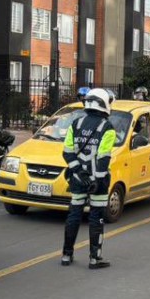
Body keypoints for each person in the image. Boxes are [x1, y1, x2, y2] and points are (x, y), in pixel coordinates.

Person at [61, 88, 116, 269]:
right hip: (97, 181)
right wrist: (97, 181)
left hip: (78, 179)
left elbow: (67, 152)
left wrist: (79, 172)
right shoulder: (107, 127)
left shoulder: (75, 124)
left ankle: (66, 255)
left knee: (74, 215)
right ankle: (95, 258)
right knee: (96, 217)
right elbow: (103, 158)